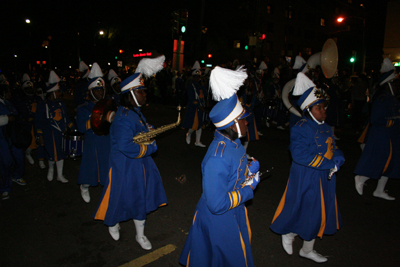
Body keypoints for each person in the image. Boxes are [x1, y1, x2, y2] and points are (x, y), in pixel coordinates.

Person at [179, 66, 260, 267]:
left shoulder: (234, 143)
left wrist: (248, 170)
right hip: (219, 221)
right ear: (232, 124)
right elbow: (216, 204)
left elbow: (233, 174)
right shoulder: (218, 157)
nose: (247, 123)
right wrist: (248, 190)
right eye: (243, 120)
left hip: (232, 212)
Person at [94, 56, 167, 250]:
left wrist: (148, 129)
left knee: (139, 198)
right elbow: (126, 146)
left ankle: (140, 235)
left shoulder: (134, 112)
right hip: (124, 166)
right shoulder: (123, 118)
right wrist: (151, 147)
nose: (145, 95)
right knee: (119, 197)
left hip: (138, 163)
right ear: (131, 94)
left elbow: (140, 128)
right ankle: (112, 222)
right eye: (141, 91)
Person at [270, 72, 344, 263]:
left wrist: (339, 158)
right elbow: (299, 155)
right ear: (309, 110)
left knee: (318, 212)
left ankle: (307, 249)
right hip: (306, 175)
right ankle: (289, 232)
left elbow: (332, 147)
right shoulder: (301, 127)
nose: (323, 110)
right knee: (304, 209)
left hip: (324, 176)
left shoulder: (325, 127)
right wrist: (328, 163)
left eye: (323, 106)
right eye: (318, 107)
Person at [354, 58, 399, 200]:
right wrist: (394, 121)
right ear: (388, 84)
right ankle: (361, 178)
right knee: (380, 161)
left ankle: (379, 190)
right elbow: (376, 120)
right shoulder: (382, 99)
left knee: (392, 163)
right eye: (395, 83)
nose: (398, 85)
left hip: (391, 135)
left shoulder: (392, 99)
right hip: (381, 135)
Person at [76, 63, 111, 203]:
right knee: (89, 170)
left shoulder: (109, 104)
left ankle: (108, 192)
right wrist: (96, 119)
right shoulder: (83, 108)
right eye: (97, 90)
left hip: (106, 141)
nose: (100, 93)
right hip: (92, 143)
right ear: (90, 91)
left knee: (107, 170)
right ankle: (84, 186)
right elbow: (81, 128)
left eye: (102, 89)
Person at [35, 70, 74, 183]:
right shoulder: (43, 105)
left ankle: (60, 175)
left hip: (60, 133)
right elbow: (38, 121)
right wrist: (40, 136)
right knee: (52, 154)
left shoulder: (61, 103)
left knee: (61, 154)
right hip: (49, 133)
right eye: (57, 91)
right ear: (52, 93)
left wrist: (73, 128)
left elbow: (65, 117)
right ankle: (51, 169)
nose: (59, 93)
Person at [0, 83, 27, 200]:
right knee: (5, 162)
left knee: (20, 156)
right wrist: (7, 118)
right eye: (8, 92)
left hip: (13, 136)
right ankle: (5, 187)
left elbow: (16, 114)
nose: (10, 94)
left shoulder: (8, 103)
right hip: (2, 137)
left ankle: (16, 175)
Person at [182, 61, 207, 147]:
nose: (197, 78)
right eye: (195, 77)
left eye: (198, 77)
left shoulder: (201, 85)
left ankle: (198, 141)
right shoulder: (190, 85)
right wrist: (199, 106)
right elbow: (191, 98)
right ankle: (188, 134)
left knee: (200, 125)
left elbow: (205, 95)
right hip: (193, 107)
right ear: (193, 77)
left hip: (200, 108)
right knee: (194, 124)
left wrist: (203, 85)